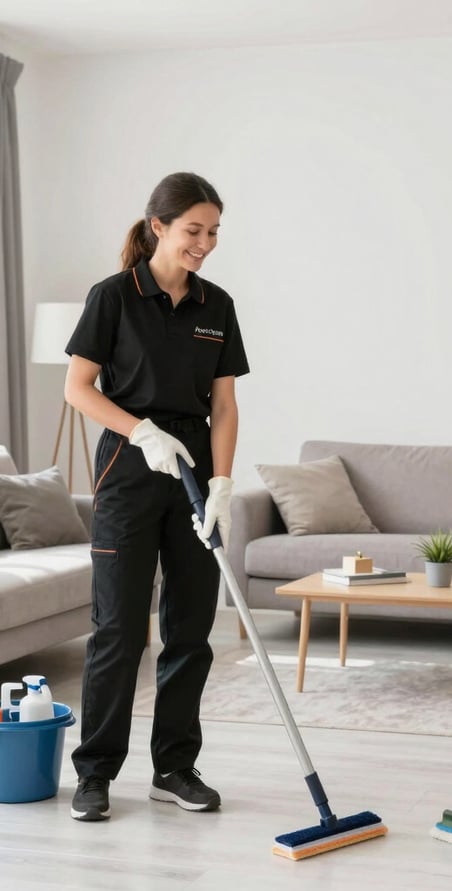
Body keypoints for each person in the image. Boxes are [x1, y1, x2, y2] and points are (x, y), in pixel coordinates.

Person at [64, 172, 250, 821]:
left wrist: (222, 483)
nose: (205, 243)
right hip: (128, 469)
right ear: (158, 227)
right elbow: (79, 388)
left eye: (213, 232)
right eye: (194, 230)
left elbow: (224, 405)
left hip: (194, 472)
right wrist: (140, 429)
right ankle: (95, 773)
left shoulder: (217, 305)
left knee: (191, 628)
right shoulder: (113, 296)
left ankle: (174, 766)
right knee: (118, 630)